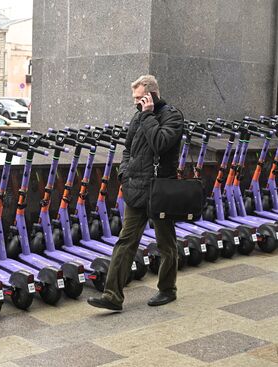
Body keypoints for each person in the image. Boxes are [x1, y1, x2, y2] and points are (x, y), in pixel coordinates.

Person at [87, 75, 184, 311]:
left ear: (151, 95)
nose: (136, 103)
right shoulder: (138, 114)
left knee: (166, 243)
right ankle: (112, 295)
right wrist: (124, 173)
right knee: (125, 241)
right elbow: (128, 148)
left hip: (160, 189)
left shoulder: (172, 116)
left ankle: (167, 289)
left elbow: (161, 143)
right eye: (135, 99)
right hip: (136, 188)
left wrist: (149, 114)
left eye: (140, 98)